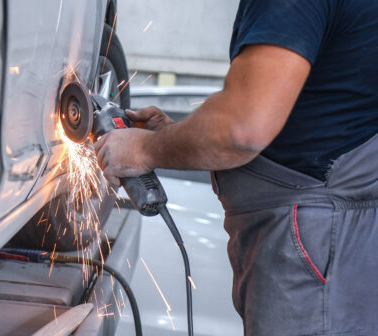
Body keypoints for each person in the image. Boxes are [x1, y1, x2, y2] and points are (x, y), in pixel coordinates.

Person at [94, 0, 378, 334]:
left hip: (315, 249)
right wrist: (173, 136)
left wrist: (144, 149)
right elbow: (311, 113)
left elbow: (244, 129)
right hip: (336, 239)